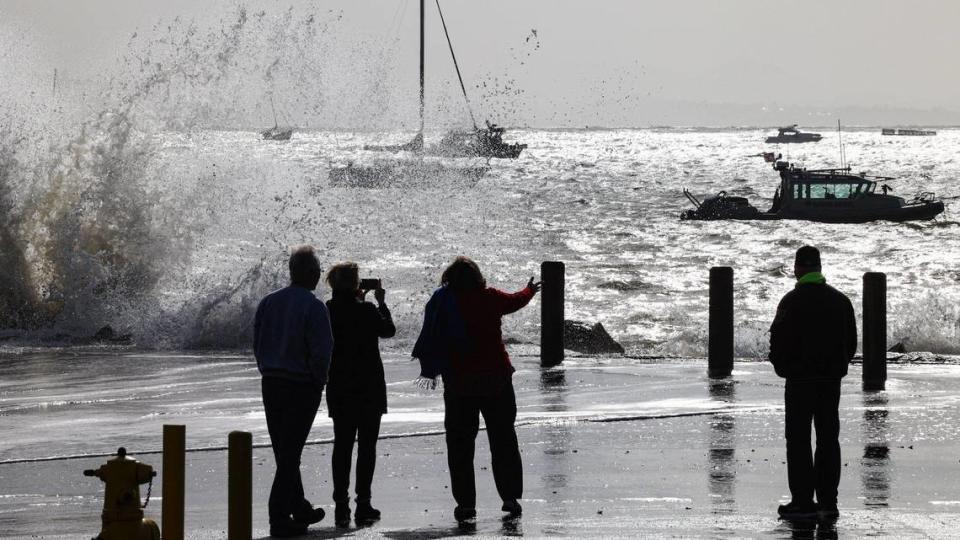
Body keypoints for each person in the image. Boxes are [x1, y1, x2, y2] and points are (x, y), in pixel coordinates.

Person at [413, 256, 541, 523]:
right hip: (496, 380)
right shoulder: (490, 297)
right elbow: (514, 301)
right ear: (477, 277)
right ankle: (509, 498)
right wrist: (530, 290)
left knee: (460, 445)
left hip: (459, 383)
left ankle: (466, 505)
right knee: (503, 439)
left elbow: (432, 334)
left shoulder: (444, 302)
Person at [768, 246, 857, 520]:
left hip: (799, 380)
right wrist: (838, 367)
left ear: (797, 268)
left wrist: (783, 368)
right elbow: (851, 343)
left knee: (798, 440)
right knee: (829, 439)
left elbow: (778, 341)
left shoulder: (790, 301)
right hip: (830, 381)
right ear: (819, 267)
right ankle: (829, 502)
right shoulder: (841, 301)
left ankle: (803, 501)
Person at [253, 245, 333, 537]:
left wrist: (266, 368)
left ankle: (299, 507)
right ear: (312, 274)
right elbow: (322, 351)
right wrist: (319, 381)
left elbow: (258, 342)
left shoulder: (269, 302)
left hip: (271, 381)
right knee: (290, 453)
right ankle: (278, 516)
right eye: (317, 271)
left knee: (284, 449)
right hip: (301, 384)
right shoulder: (314, 306)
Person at [324, 263, 396, 527]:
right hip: (369, 386)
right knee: (367, 446)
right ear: (356, 285)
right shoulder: (366, 310)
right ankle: (363, 503)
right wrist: (381, 303)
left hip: (340, 385)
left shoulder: (328, 310)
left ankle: (341, 505)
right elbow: (388, 330)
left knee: (341, 445)